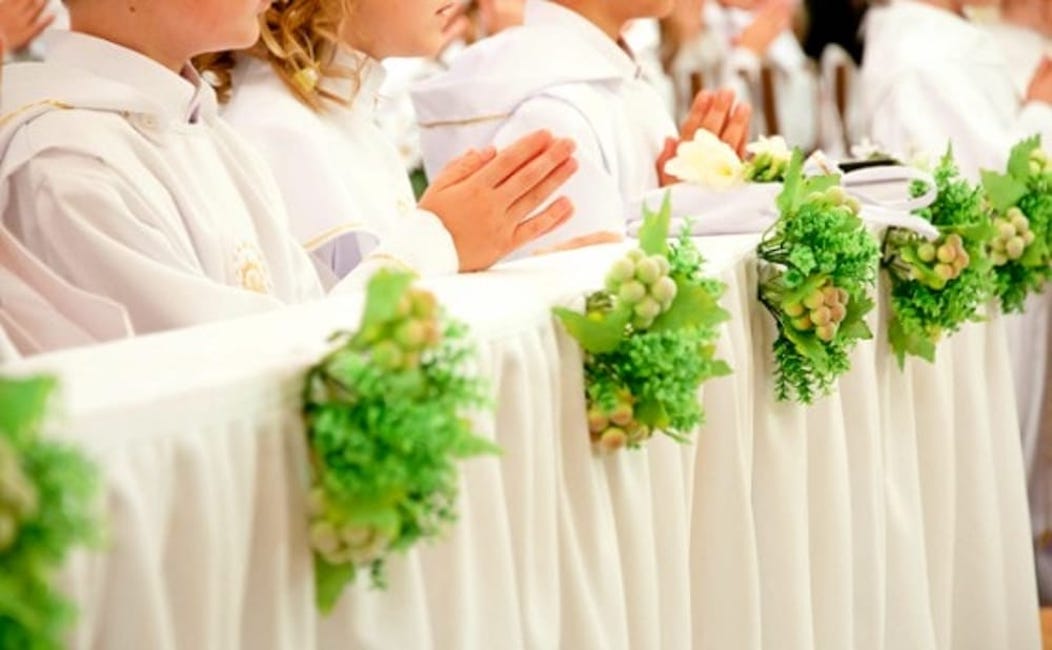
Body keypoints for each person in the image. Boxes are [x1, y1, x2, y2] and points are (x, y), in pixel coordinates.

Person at [0, 0, 572, 343]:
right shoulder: (63, 162)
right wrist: (437, 241)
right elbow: (248, 376)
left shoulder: (210, 135)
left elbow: (312, 317)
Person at [205, 0, 575, 283]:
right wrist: (445, 236)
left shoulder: (340, 112)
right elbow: (343, 342)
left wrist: (538, 277)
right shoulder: (279, 132)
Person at [411, 0, 753, 259]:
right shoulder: (551, 113)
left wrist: (684, 204)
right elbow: (586, 313)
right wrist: (675, 221)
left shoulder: (615, 80)